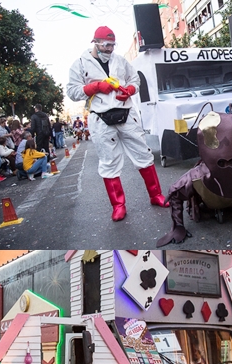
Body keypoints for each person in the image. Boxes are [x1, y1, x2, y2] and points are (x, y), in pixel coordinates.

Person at [66, 26, 168, 221]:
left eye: (113, 45)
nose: (110, 49)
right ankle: (118, 205)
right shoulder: (79, 64)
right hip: (101, 118)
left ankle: (156, 195)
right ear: (95, 42)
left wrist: (130, 89)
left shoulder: (120, 60)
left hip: (127, 114)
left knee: (143, 155)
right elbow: (72, 92)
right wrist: (94, 87)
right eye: (106, 45)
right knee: (109, 162)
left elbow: (135, 80)